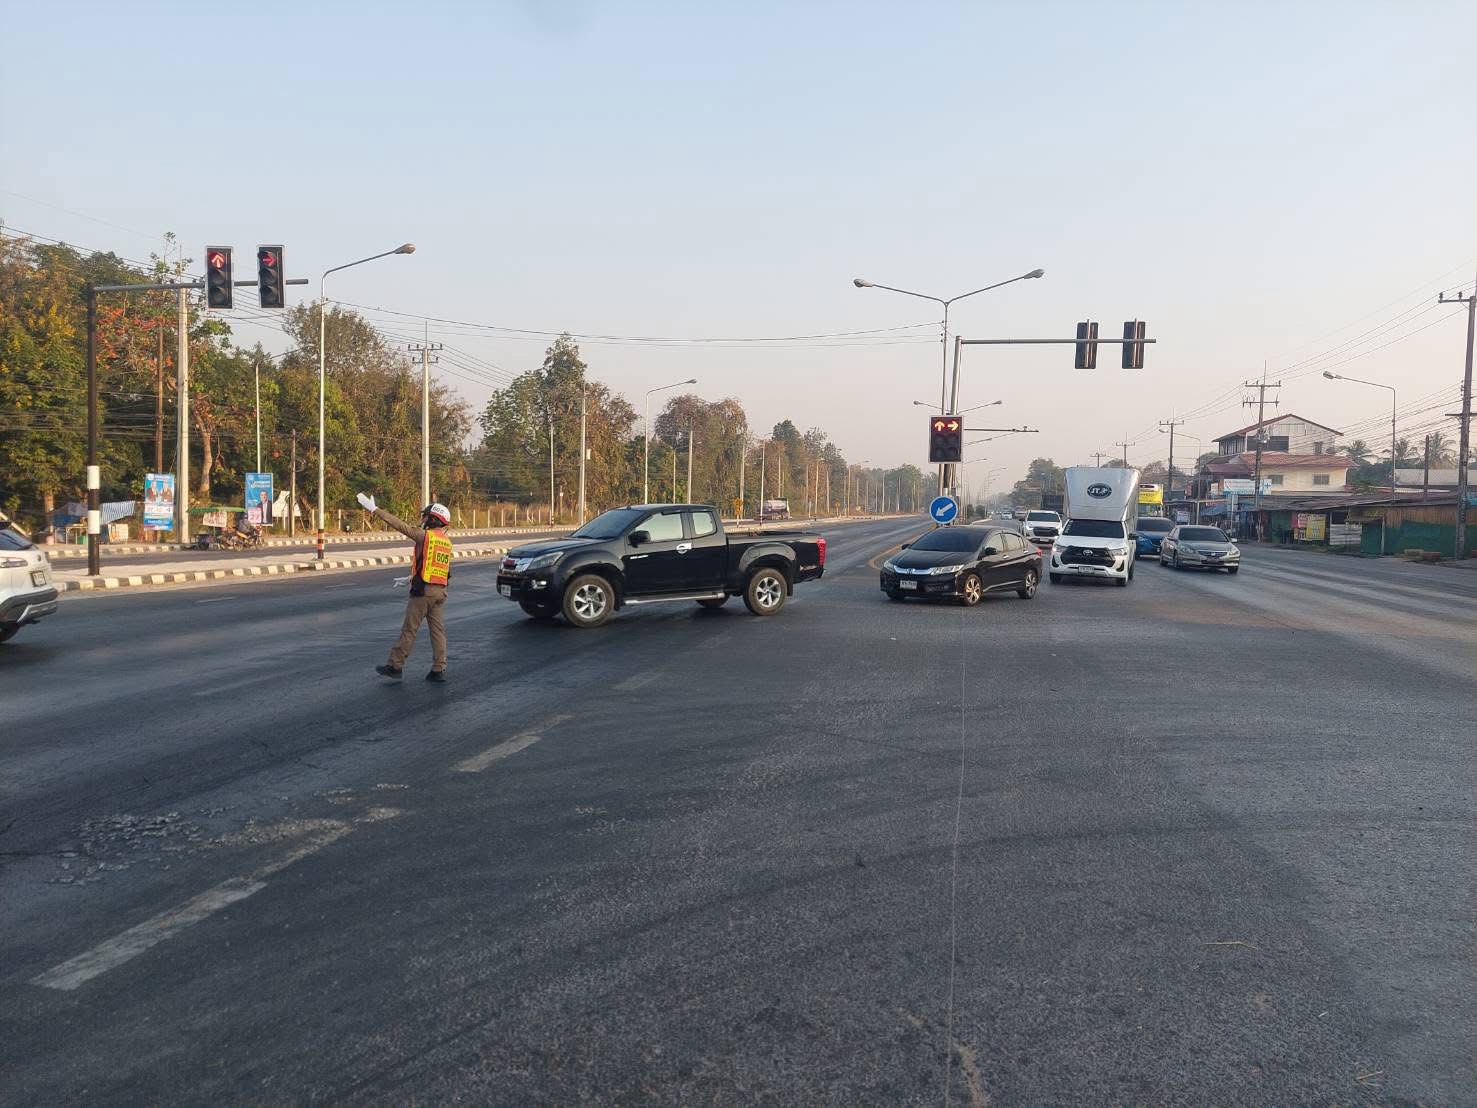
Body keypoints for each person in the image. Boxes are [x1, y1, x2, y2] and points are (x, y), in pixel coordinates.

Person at [357, 494, 453, 682]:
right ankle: (439, 669)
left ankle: (395, 665)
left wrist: (375, 510)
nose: (423, 519)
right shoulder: (446, 542)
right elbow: (438, 568)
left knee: (409, 630)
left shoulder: (425, 536)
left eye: (425, 516)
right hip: (440, 592)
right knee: (438, 632)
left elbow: (401, 526)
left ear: (433, 519)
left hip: (423, 593)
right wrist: (410, 578)